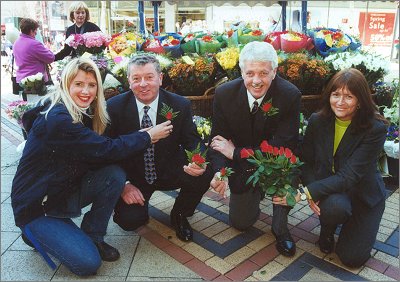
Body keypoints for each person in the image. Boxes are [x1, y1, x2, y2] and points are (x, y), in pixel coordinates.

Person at [11, 57, 173, 276]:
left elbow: (101, 153)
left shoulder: (84, 112)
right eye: (78, 84)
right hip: (36, 207)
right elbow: (105, 149)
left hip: (59, 192)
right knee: (88, 264)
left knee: (114, 174)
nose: (86, 91)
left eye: (91, 85)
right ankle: (34, 233)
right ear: (66, 85)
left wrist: (127, 174)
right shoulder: (58, 118)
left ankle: (93, 236)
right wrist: (147, 137)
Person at [275, 68, 388, 268]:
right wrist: (313, 190)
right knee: (335, 208)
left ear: (360, 100)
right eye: (336, 95)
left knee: (352, 258)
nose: (340, 102)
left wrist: (304, 193)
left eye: (349, 97)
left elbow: (349, 176)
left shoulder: (375, 128)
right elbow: (306, 160)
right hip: (333, 193)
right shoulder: (318, 121)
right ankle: (327, 231)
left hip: (363, 195)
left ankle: (351, 227)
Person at [106, 53, 213, 242]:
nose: (143, 84)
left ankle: (180, 213)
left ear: (160, 78)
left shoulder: (179, 104)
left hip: (169, 167)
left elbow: (193, 140)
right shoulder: (113, 107)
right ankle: (138, 209)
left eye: (149, 77)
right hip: (134, 176)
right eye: (136, 79)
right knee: (130, 221)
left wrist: (198, 161)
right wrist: (123, 185)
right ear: (129, 81)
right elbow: (107, 151)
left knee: (205, 169)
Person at [209, 41, 301, 257]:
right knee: (241, 222)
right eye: (250, 73)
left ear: (274, 72)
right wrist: (219, 172)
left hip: (276, 164)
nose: (256, 81)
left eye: (263, 73)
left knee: (289, 167)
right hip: (244, 169)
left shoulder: (289, 95)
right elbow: (217, 140)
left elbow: (283, 147)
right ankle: (254, 192)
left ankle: (280, 227)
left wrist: (235, 153)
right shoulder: (224, 94)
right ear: (241, 72)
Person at [13, 18, 54, 84]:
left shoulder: (16, 43)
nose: (36, 32)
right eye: (36, 30)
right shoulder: (34, 44)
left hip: (21, 80)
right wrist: (46, 48)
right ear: (31, 31)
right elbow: (51, 58)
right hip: (35, 82)